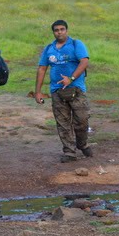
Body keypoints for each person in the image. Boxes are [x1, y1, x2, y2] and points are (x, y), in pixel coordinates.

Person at [34, 20, 93, 163]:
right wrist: (38, 92)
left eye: (62, 29)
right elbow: (42, 68)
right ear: (53, 32)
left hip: (76, 89)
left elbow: (84, 62)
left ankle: (82, 144)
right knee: (63, 123)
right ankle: (69, 152)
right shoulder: (49, 49)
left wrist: (71, 78)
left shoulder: (75, 44)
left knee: (82, 120)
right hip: (57, 91)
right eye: (56, 30)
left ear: (66, 30)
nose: (59, 32)